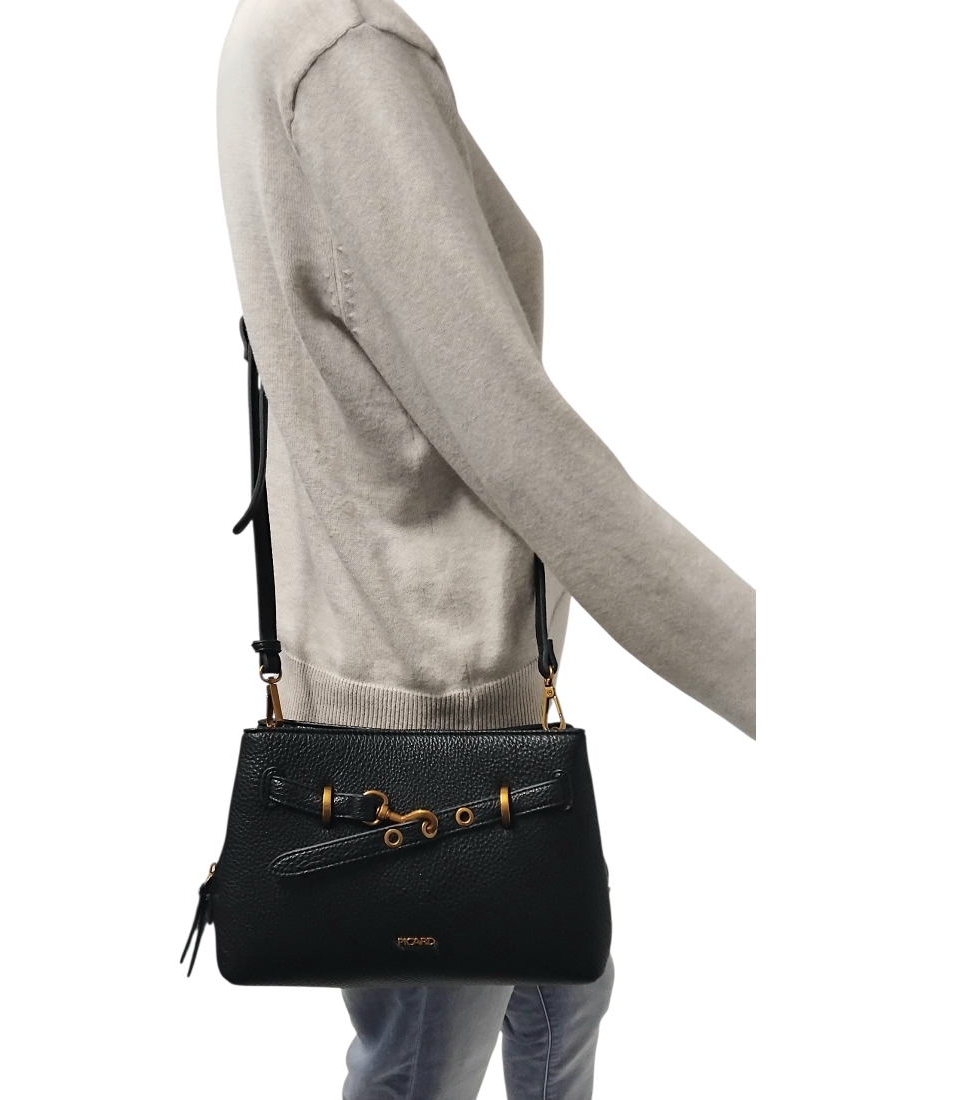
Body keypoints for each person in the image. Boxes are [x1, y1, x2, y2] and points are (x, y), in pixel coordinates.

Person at [216, 1, 755, 1096]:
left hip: (425, 658)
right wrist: (762, 665)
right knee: (425, 1058)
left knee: (565, 983)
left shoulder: (289, 29)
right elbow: (515, 437)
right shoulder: (347, 56)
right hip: (427, 711)